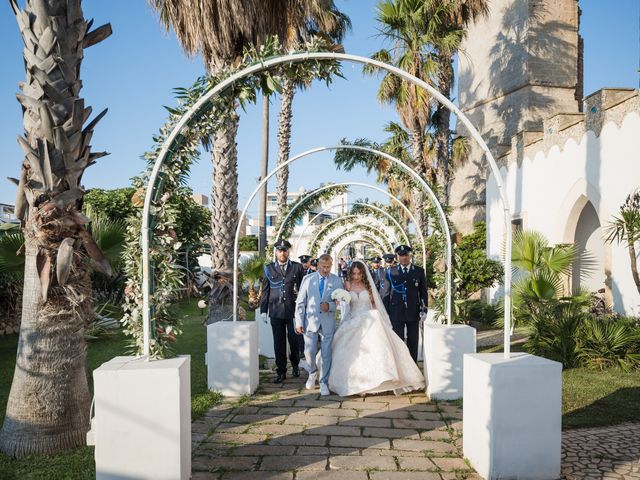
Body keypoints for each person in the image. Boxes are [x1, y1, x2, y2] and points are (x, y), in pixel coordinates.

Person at [328, 260, 425, 396]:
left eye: (359, 274)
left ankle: (384, 377)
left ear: (363, 274)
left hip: (368, 318)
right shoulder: (347, 285)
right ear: (350, 273)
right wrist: (339, 300)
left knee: (377, 346)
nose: (356, 277)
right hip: (352, 319)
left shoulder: (368, 286)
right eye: (354, 274)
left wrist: (379, 317)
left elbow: (374, 304)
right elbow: (342, 302)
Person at [294, 254, 342, 396]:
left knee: (327, 353)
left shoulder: (336, 280)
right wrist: (298, 321)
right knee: (309, 352)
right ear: (318, 265)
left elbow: (340, 302)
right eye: (323, 266)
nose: (326, 269)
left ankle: (323, 382)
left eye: (328, 267)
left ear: (331, 266)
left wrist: (331, 306)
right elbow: (300, 302)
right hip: (310, 322)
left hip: (328, 322)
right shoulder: (308, 279)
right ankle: (312, 372)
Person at [260, 239, 305, 383]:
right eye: (280, 250)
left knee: (294, 340)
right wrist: (263, 310)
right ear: (276, 252)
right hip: (275, 311)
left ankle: (296, 364)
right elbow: (265, 291)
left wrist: (304, 309)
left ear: (288, 251)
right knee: (278, 342)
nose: (282, 252)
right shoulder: (269, 268)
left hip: (292, 311)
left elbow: (303, 290)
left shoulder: (297, 268)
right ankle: (281, 371)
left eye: (285, 250)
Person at [382, 245, 428, 362]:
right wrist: (385, 313)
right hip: (396, 312)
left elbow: (423, 292)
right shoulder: (390, 272)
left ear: (410, 256)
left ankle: (413, 366)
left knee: (413, 341)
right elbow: (386, 294)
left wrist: (424, 309)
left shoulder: (418, 271)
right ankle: (400, 367)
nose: (404, 258)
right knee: (398, 341)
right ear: (397, 257)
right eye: (401, 255)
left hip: (413, 311)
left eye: (406, 255)